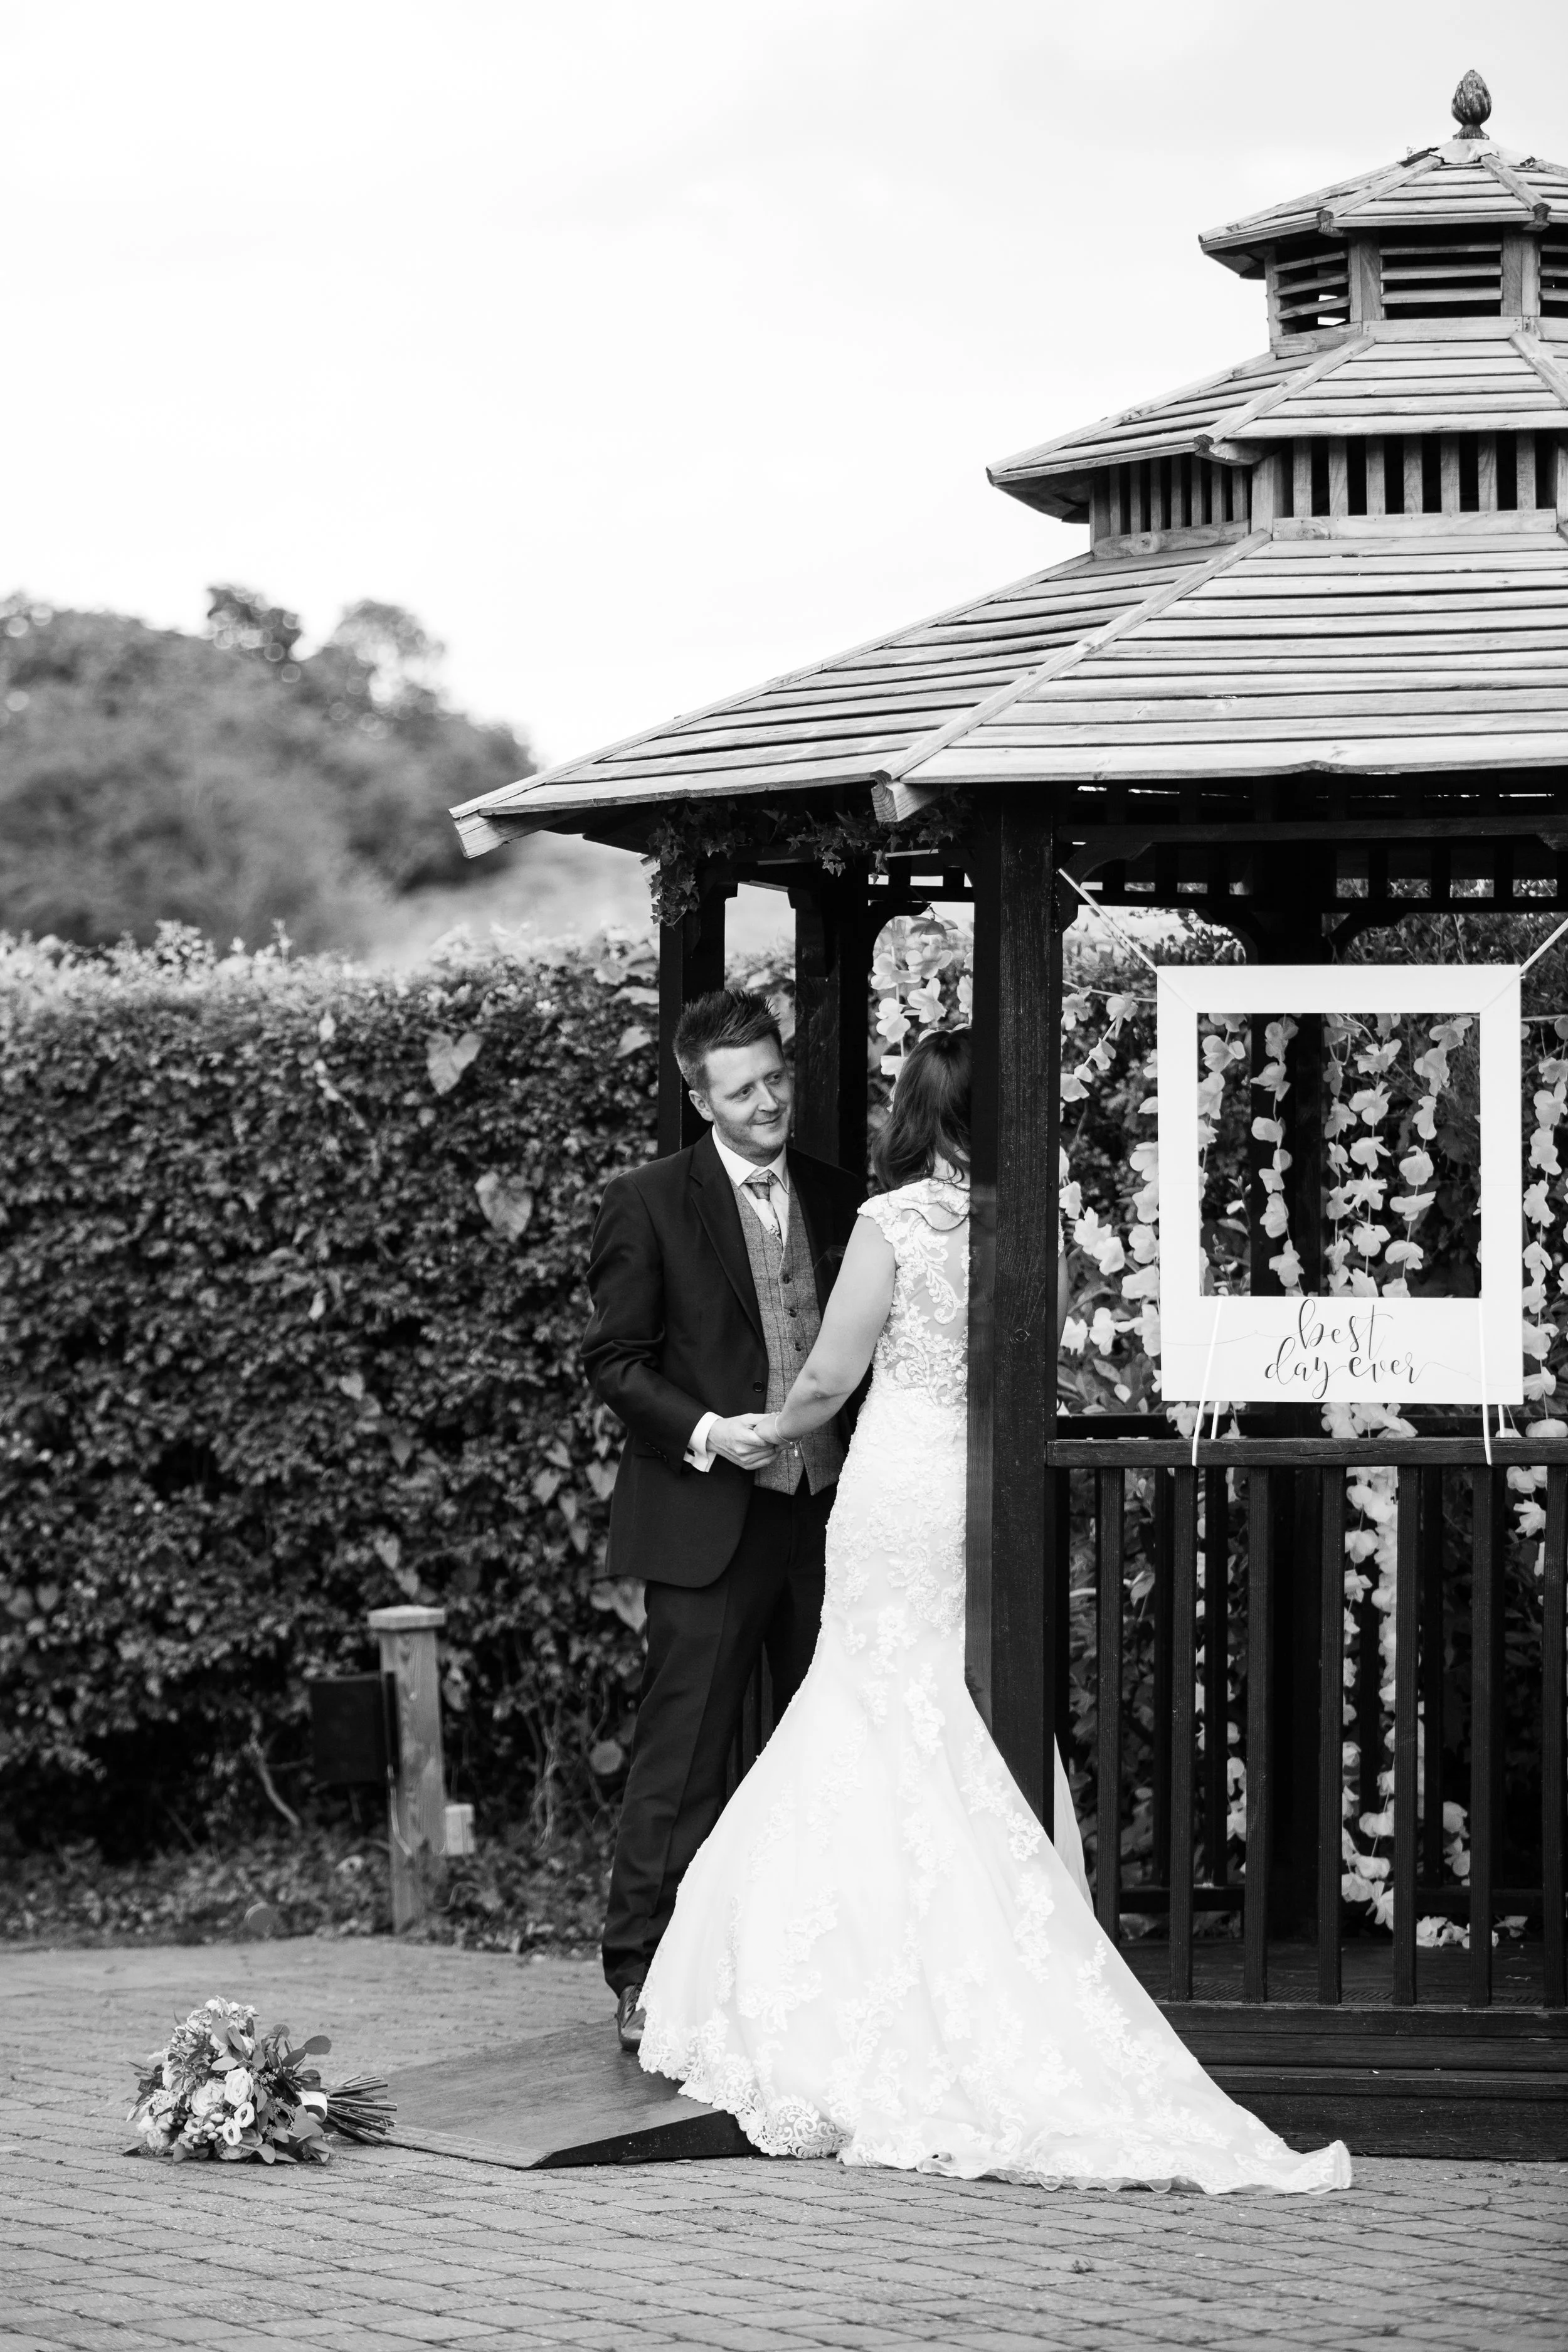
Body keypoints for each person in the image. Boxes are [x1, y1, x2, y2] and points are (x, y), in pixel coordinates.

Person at [637, 1026, 1352, 2194]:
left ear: (922, 1105)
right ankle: (993, 1943)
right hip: (984, 1490)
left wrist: (768, 1429)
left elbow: (830, 1374)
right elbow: (1031, 1358)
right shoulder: (1040, 1224)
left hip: (900, 1483)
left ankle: (858, 1981)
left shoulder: (895, 1219)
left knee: (872, 1694)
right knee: (937, 1697)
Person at [583, 988, 865, 2050]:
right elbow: (615, 1361)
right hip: (707, 1515)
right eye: (741, 1088)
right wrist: (708, 1428)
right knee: (682, 1751)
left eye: (775, 1077)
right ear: (700, 1097)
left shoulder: (844, 1200)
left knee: (823, 1748)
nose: (767, 1101)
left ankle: (804, 1966)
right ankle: (641, 1969)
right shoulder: (646, 1202)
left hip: (828, 1514)